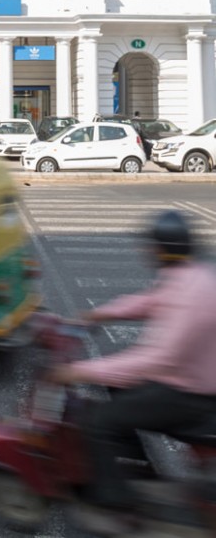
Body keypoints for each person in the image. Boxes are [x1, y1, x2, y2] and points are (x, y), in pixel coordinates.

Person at [51, 210, 216, 528]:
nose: (146, 252)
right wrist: (98, 315)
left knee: (96, 421)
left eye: (150, 246)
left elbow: (153, 361)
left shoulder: (188, 294)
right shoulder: (191, 275)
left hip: (188, 395)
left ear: (161, 249)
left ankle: (118, 506)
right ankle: (137, 469)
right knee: (118, 392)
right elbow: (150, 301)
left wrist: (81, 371)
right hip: (192, 381)